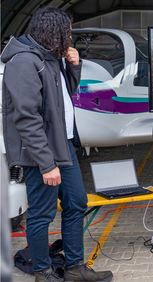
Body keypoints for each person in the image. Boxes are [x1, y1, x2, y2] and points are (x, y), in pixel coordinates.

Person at [1, 7, 113, 282]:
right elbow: (26, 118)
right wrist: (46, 163)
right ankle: (43, 273)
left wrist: (74, 66)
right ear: (54, 32)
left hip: (64, 146)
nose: (70, 37)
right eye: (67, 32)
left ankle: (75, 269)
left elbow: (63, 97)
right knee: (42, 213)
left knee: (76, 202)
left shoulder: (50, 58)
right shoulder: (24, 63)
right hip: (41, 153)